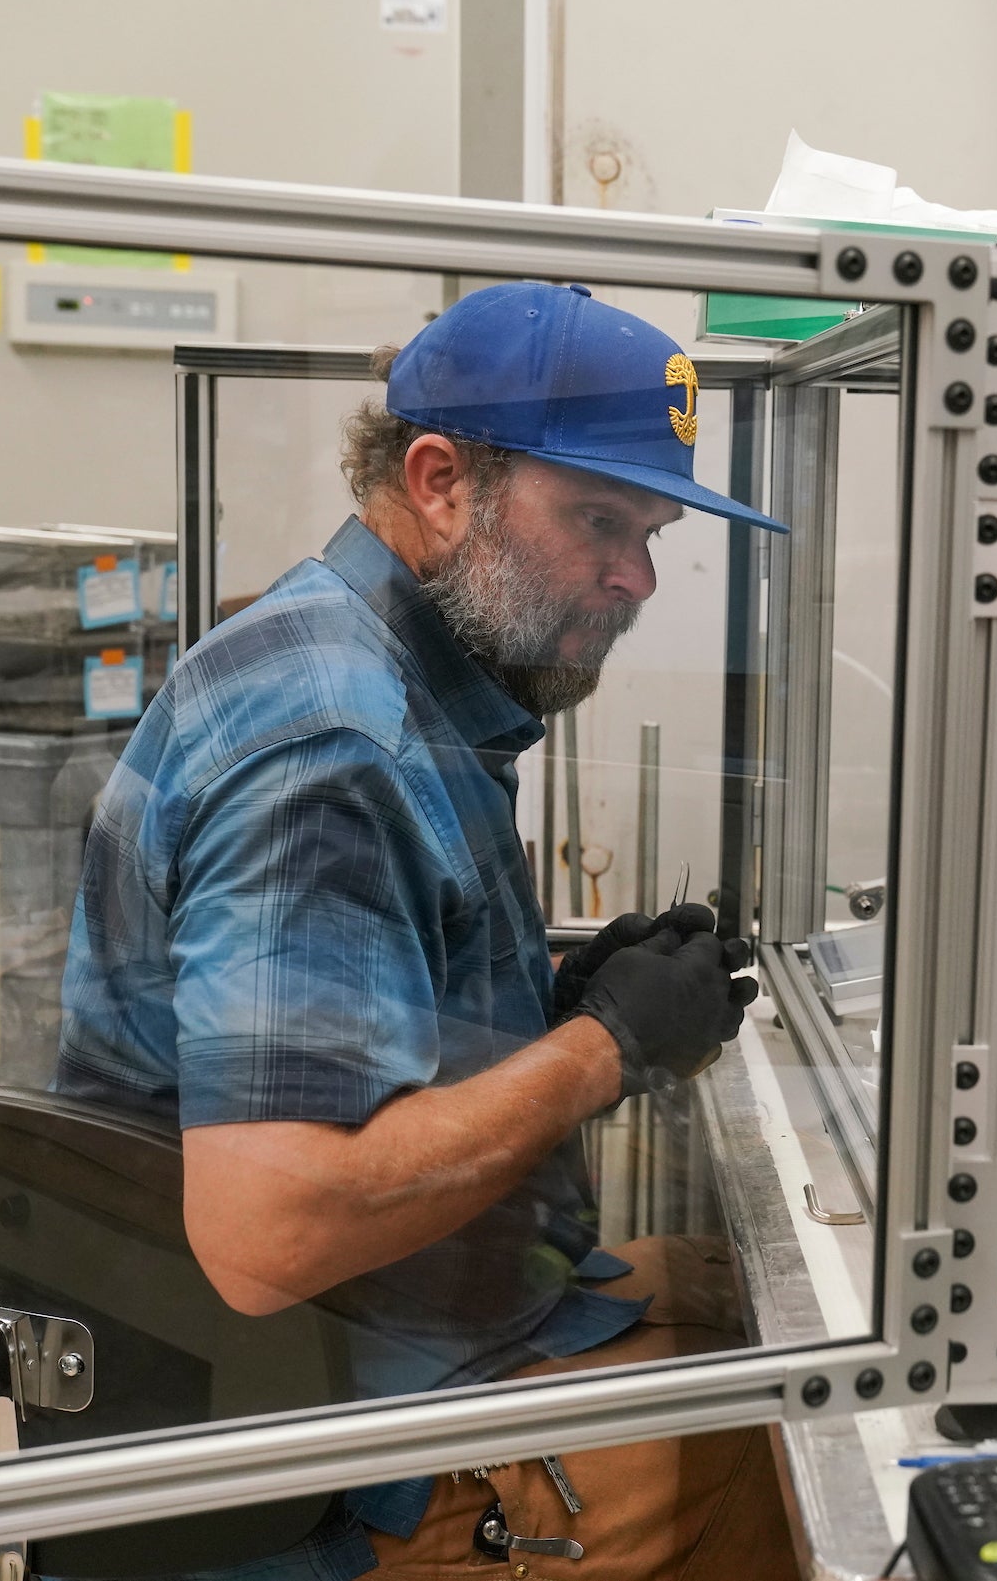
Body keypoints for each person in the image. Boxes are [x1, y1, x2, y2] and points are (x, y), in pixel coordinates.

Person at [58, 282, 800, 1581]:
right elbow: (267, 1231)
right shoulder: (332, 735)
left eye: (652, 532)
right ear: (442, 479)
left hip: (366, 1346)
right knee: (795, 1440)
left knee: (748, 1288)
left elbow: (356, 1023)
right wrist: (604, 1051)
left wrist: (564, 999)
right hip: (305, 1459)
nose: (637, 576)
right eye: (598, 522)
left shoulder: (398, 672)